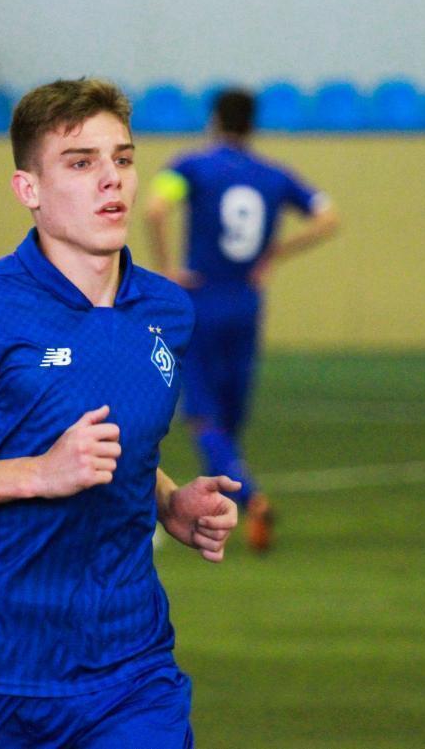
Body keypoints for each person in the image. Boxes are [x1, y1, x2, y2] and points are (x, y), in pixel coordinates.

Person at [0, 78, 240, 747]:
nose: (111, 179)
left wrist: (168, 502)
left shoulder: (168, 312)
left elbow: (117, 446)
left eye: (122, 158)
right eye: (80, 163)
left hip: (131, 669)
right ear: (28, 189)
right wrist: (37, 473)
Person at [144, 88, 340, 552]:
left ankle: (250, 499)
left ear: (214, 120)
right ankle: (227, 503)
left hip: (200, 301)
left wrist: (167, 267)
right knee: (228, 418)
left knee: (203, 415)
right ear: (252, 125)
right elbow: (328, 218)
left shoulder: (190, 167)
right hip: (246, 304)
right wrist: (274, 254)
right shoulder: (275, 175)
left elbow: (155, 207)